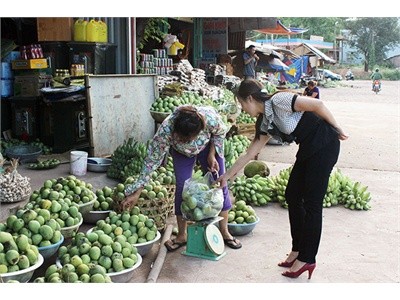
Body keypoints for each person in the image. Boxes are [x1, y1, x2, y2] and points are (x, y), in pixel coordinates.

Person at [216, 79, 348, 279]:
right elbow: (250, 153)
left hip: (325, 144)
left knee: (312, 203)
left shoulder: (280, 100)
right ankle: (297, 250)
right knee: (292, 195)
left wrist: (337, 129)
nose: (242, 109)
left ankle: (308, 259)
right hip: (308, 148)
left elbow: (318, 105)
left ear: (250, 98)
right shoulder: (265, 121)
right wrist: (226, 176)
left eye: (242, 103)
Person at [121, 105, 242, 251]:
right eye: (182, 138)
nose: (187, 141)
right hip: (181, 153)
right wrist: (137, 191)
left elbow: (220, 133)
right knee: (182, 188)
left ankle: (224, 232)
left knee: (220, 183)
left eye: (190, 138)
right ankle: (181, 235)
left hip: (207, 147)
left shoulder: (209, 118)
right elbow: (151, 160)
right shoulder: (166, 129)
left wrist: (211, 154)